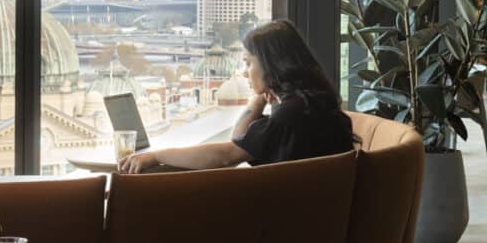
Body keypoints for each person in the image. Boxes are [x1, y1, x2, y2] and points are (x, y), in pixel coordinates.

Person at [119, 18, 353, 172]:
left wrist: (156, 156)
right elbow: (239, 143)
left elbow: (226, 155)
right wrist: (260, 97)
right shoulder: (315, 104)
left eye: (248, 62)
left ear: (273, 64)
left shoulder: (291, 115)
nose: (244, 71)